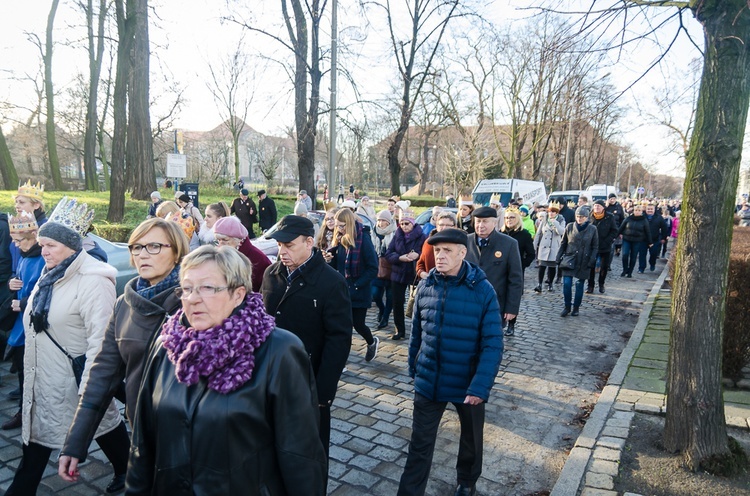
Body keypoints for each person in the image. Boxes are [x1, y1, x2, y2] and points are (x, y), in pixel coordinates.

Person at [127, 246, 327, 494]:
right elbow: (143, 440)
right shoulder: (167, 343)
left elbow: (300, 454)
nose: (192, 298)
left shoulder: (279, 350)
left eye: (208, 288)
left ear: (238, 294)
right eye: (187, 288)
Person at [8, 206, 129, 495]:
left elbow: (101, 344)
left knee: (101, 423)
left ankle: (128, 467)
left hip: (75, 378)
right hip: (43, 376)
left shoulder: (93, 280)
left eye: (51, 245)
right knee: (47, 436)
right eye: (42, 244)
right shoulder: (51, 273)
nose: (44, 251)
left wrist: (92, 390)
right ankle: (127, 464)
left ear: (72, 246)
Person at [58, 218, 189, 483]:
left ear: (176, 251)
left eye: (153, 246)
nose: (142, 254)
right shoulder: (124, 305)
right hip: (141, 426)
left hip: (190, 430)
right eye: (136, 247)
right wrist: (76, 441)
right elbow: (102, 374)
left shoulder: (193, 301)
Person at [398, 228, 502, 496]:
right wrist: (414, 367)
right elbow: (417, 334)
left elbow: (493, 343)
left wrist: (480, 386)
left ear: (462, 253)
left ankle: (466, 482)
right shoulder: (426, 285)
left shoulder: (482, 290)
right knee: (419, 444)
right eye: (436, 251)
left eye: (447, 251)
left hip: (466, 382)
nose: (440, 256)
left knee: (471, 439)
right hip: (429, 380)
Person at [260, 215, 352, 464]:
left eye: (289, 245)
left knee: (310, 454)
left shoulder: (332, 283)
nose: (282, 252)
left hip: (307, 382)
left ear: (309, 242)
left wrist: (323, 393)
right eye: (279, 246)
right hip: (268, 378)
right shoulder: (271, 274)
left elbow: (339, 340)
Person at [3, 213, 45, 431]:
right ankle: (24, 410)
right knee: (23, 371)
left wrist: (25, 303)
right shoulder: (24, 254)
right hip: (22, 324)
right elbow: (20, 281)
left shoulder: (43, 257)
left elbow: (46, 289)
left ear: (34, 236)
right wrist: (13, 286)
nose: (15, 244)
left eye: (19, 240)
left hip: (36, 324)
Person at [325, 208, 379, 361]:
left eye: (342, 226)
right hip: (343, 290)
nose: (339, 229)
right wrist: (330, 258)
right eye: (337, 226)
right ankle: (342, 360)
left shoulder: (363, 239)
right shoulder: (339, 238)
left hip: (359, 290)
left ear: (349, 223)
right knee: (344, 327)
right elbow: (337, 265)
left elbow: (373, 268)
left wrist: (357, 285)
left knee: (358, 324)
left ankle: (371, 341)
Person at [465, 207, 524, 334]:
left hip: (495, 305)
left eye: (485, 221)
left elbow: (515, 279)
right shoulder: (466, 241)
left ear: (495, 222)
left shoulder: (509, 244)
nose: (480, 225)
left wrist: (512, 308)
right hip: (467, 305)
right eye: (478, 221)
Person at [385, 209, 427, 341]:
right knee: (397, 302)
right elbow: (388, 254)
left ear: (413, 224)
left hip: (415, 273)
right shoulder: (397, 235)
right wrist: (399, 257)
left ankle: (419, 330)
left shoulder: (421, 236)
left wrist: (418, 255)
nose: (404, 226)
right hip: (398, 273)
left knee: (418, 303)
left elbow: (426, 252)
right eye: (402, 223)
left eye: (407, 223)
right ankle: (400, 330)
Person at [557, 206, 599, 317]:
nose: (579, 219)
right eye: (578, 216)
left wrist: (592, 259)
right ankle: (567, 306)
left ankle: (576, 307)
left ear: (586, 217)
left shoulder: (592, 229)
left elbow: (595, 246)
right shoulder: (570, 227)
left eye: (582, 217)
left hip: (584, 260)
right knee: (567, 284)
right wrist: (558, 257)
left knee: (579, 285)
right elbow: (563, 243)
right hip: (570, 259)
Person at [213, 216, 272, 293]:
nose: (220, 245)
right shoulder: (221, 254)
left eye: (225, 240)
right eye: (218, 240)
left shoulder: (259, 259)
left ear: (238, 239)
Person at [500, 207, 534, 336]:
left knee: (513, 297)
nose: (509, 220)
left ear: (517, 218)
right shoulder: (500, 233)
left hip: (516, 272)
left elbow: (531, 254)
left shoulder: (524, 234)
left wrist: (521, 265)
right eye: (507, 217)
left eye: (512, 217)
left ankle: (511, 324)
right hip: (501, 271)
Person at [533, 201, 566, 292]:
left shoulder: (561, 220)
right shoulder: (544, 220)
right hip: (544, 246)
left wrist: (555, 224)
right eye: (550, 211)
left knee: (552, 267)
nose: (551, 213)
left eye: (553, 212)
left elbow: (561, 232)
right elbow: (539, 233)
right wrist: (534, 245)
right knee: (542, 266)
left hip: (554, 247)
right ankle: (539, 284)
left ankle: (550, 283)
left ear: (556, 213)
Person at [416, 211, 458, 280]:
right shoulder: (428, 242)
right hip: (431, 286)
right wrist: (422, 273)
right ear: (437, 226)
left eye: (448, 225)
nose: (444, 228)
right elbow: (420, 263)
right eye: (441, 225)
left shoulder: (460, 244)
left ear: (455, 227)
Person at [372, 209, 396, 329]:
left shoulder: (395, 233)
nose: (381, 223)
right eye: (379, 220)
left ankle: (385, 317)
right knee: (375, 294)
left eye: (383, 220)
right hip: (377, 268)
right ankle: (381, 309)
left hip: (392, 268)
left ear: (388, 222)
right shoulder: (373, 232)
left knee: (390, 295)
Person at [588, 200, 619, 294]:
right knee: (591, 266)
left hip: (605, 246)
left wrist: (607, 241)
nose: (596, 208)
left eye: (599, 206)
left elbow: (614, 231)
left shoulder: (609, 216)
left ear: (603, 207)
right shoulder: (590, 216)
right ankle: (590, 285)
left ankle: (601, 284)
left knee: (604, 267)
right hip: (592, 246)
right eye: (595, 206)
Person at [618, 205, 652, 277]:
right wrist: (614, 236)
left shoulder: (644, 220)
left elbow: (647, 232)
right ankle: (625, 269)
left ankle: (630, 272)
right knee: (625, 255)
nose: (637, 212)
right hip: (627, 239)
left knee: (633, 256)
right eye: (636, 210)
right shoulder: (628, 218)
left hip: (637, 241)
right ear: (633, 211)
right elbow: (621, 228)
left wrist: (650, 242)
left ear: (641, 212)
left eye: (639, 210)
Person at [645, 204, 669, 271]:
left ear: (654, 210)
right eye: (648, 209)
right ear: (646, 209)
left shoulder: (659, 217)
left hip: (654, 239)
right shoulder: (643, 217)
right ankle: (641, 267)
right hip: (643, 239)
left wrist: (663, 238)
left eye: (651, 209)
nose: (650, 210)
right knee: (642, 254)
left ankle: (652, 264)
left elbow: (664, 228)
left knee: (653, 253)